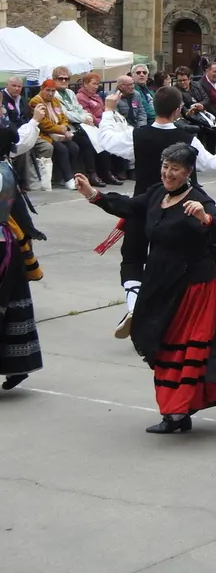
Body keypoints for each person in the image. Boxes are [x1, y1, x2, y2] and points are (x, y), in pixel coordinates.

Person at [75, 143, 216, 433]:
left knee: (182, 349)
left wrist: (205, 217)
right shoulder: (156, 194)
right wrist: (93, 194)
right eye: (165, 166)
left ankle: (176, 414)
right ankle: (178, 411)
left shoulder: (198, 200)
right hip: (162, 281)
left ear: (188, 172)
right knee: (162, 344)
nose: (168, 173)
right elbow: (129, 206)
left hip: (196, 287)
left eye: (174, 168)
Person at [97, 87, 216, 338]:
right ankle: (165, 312)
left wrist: (108, 112)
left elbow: (106, 141)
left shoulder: (138, 135)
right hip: (179, 211)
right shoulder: (188, 138)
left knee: (132, 259)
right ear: (177, 111)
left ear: (154, 107)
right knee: (171, 262)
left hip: (143, 206)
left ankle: (134, 305)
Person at [0, 127, 43, 392]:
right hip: (9, 243)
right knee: (14, 304)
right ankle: (18, 364)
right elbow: (19, 210)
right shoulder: (6, 169)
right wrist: (29, 231)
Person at [29, 80, 80, 189]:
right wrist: (61, 130)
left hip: (59, 133)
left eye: (53, 91)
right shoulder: (35, 102)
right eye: (48, 90)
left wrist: (65, 127)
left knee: (74, 148)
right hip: (44, 134)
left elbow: (64, 118)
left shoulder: (55, 101)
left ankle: (64, 177)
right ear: (42, 89)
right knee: (62, 149)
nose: (50, 93)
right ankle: (68, 179)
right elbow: (43, 124)